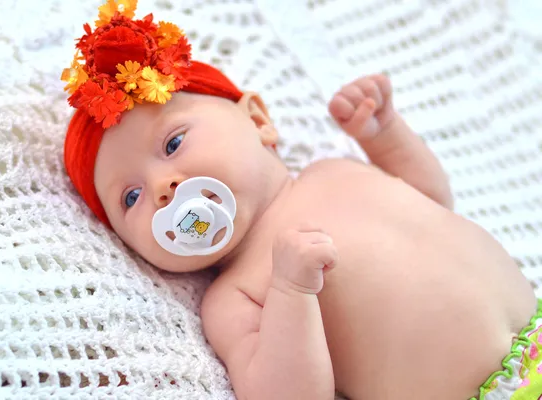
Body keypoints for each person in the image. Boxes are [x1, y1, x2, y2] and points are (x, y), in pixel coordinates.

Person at [62, 1, 540, 399]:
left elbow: (434, 201)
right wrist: (292, 293)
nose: (163, 187)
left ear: (257, 120)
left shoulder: (333, 168)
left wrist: (385, 136)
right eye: (130, 196)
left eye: (172, 144)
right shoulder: (235, 298)